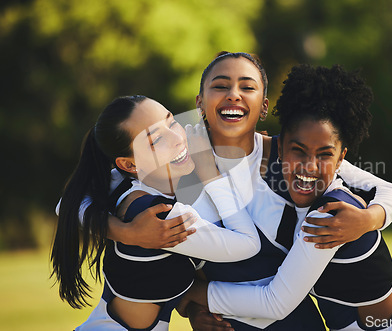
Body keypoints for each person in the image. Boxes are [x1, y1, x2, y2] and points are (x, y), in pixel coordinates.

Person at [73, 52, 392, 330]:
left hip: (292, 317)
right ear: (199, 102)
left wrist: (370, 218)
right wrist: (125, 232)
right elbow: (74, 201)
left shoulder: (294, 154)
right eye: (220, 86)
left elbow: (388, 190)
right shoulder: (179, 162)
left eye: (247, 87)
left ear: (263, 105)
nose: (234, 94)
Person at [181, 64, 392, 330]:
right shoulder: (287, 164)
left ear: (339, 158)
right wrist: (195, 310)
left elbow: (273, 302)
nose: (310, 165)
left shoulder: (331, 213)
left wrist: (187, 295)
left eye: (324, 154)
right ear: (281, 146)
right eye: (297, 150)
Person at [51, 95, 261, 330]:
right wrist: (212, 175)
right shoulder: (159, 217)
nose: (177, 139)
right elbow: (249, 244)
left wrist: (124, 233)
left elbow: (66, 204)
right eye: (157, 140)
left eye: (172, 122)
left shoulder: (123, 182)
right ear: (130, 165)